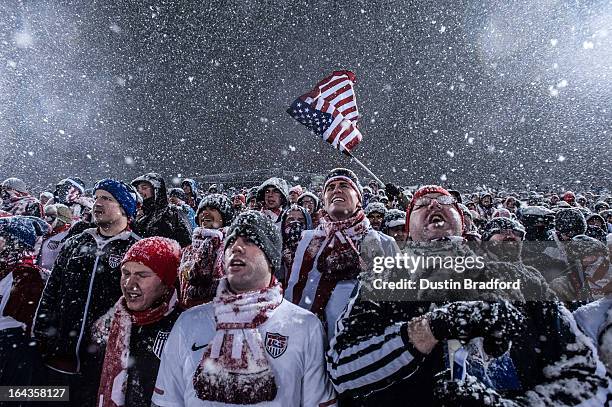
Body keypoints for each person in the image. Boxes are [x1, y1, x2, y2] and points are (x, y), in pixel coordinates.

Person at [326, 185, 610, 406]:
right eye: (422, 205)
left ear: (463, 222)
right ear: (408, 232)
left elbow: (585, 376)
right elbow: (342, 370)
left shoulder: (521, 279)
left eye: (445, 202)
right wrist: (430, 329)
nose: (434, 205)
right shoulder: (384, 278)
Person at [152, 211, 337, 406]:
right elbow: (167, 401)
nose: (236, 248)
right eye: (231, 242)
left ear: (271, 257)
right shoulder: (188, 322)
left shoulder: (305, 326)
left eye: (249, 240)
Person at [33, 179, 140, 406]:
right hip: (60, 358)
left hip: (105, 365)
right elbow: (50, 293)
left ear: (124, 208)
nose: (97, 203)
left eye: (107, 198)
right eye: (97, 197)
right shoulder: (74, 243)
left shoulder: (136, 248)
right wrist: (43, 337)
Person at [285, 168, 399, 339]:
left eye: (344, 185)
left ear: (359, 199)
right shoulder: (308, 241)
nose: (336, 190)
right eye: (330, 188)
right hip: (311, 343)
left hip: (365, 347)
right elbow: (293, 294)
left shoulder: (384, 243)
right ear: (324, 201)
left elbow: (399, 303)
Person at [93, 237, 182, 407]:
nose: (129, 284)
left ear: (165, 282)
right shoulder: (107, 324)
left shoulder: (182, 328)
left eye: (142, 275)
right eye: (126, 273)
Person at [0, 216, 49, 386]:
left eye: (1, 238)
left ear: (14, 244)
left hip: (13, 345)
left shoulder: (27, 276)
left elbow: (29, 319)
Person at [179, 194, 234, 308]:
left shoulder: (233, 248)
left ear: (225, 217)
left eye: (212, 209)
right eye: (202, 210)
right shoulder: (187, 250)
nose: (205, 213)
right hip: (189, 316)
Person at [131, 172, 192, 247]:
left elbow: (186, 242)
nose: (140, 192)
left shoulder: (172, 213)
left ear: (156, 189)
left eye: (144, 188)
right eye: (138, 189)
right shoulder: (143, 214)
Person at [278, 204, 312, 288]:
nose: (295, 224)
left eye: (301, 220)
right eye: (290, 220)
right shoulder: (275, 254)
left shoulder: (316, 255)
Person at [38, 204, 73, 271]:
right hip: (39, 274)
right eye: (46, 216)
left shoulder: (67, 236)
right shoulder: (43, 233)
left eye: (51, 217)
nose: (47, 219)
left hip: (53, 275)